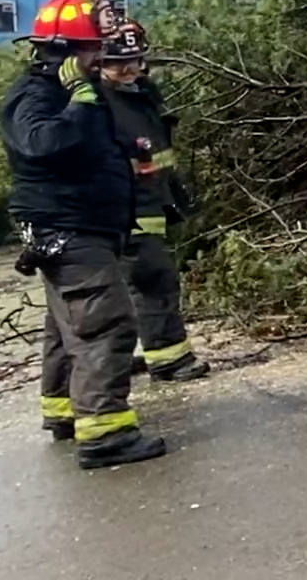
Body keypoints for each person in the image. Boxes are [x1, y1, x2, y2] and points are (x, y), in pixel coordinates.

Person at [3, 0, 166, 470]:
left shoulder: (67, 90)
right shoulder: (37, 96)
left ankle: (65, 414)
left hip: (82, 226)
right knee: (104, 324)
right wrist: (81, 99)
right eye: (95, 48)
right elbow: (43, 143)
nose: (102, 58)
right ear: (67, 50)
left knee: (68, 326)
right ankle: (106, 434)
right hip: (69, 228)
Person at [98, 20, 210, 383]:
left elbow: (158, 152)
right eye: (117, 62)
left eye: (134, 59)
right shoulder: (99, 103)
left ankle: (129, 354)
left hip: (152, 200)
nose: (128, 68)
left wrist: (173, 195)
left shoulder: (141, 94)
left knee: (136, 283)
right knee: (152, 279)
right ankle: (168, 359)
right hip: (126, 207)